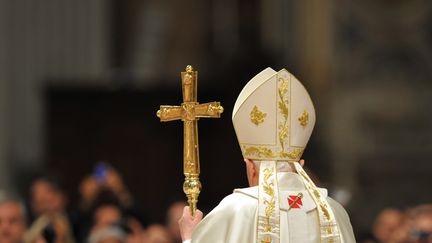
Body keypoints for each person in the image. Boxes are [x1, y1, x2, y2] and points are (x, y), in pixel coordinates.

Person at [178, 68, 356, 242]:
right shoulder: (334, 211)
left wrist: (190, 237)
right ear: (299, 165)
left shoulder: (236, 209)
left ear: (251, 167)